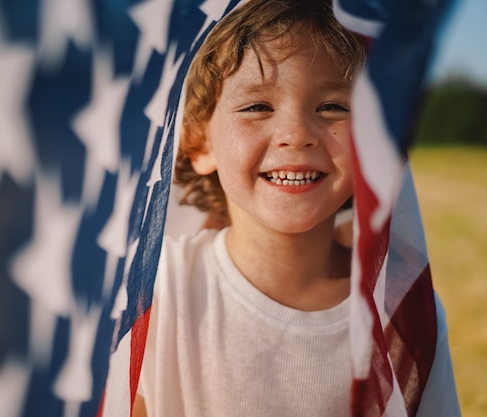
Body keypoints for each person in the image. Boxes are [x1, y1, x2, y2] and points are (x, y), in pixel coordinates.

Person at [133, 0, 459, 416]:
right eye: (257, 107)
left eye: (333, 106)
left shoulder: (401, 314)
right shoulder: (157, 293)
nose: (297, 134)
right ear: (199, 141)